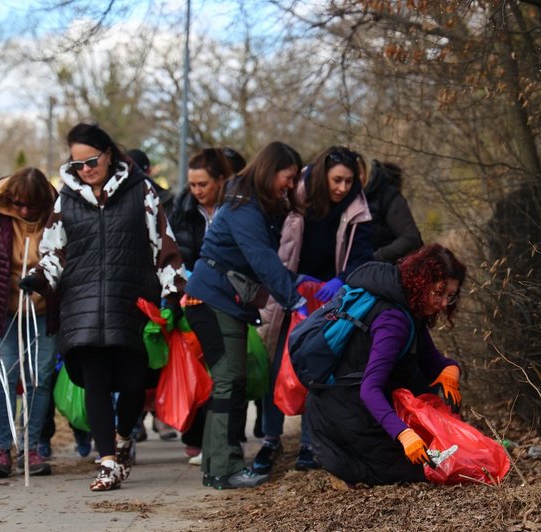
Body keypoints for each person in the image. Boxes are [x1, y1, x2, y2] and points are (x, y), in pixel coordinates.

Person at [20, 122, 187, 492]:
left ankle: (124, 435)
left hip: (131, 301)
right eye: (78, 164)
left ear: (109, 154)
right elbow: (53, 251)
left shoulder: (140, 190)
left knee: (132, 383)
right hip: (81, 303)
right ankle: (108, 461)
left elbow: (163, 243)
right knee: (95, 381)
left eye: (92, 161)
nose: (86, 170)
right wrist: (38, 278)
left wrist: (173, 290)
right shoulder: (67, 198)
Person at [184, 140, 308, 489]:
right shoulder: (245, 206)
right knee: (229, 382)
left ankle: (215, 467)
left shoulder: (251, 203)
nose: (291, 183)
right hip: (213, 301)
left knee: (229, 383)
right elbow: (262, 259)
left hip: (220, 300)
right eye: (289, 176)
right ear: (272, 170)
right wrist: (292, 299)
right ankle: (225, 468)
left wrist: (298, 283)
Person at [255, 145, 373, 475]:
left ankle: (309, 442)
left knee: (316, 367)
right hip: (288, 291)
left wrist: (342, 279)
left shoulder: (357, 210)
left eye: (350, 181)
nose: (343, 188)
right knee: (278, 364)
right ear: (323, 175)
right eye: (337, 180)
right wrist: (289, 279)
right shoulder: (295, 197)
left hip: (329, 297)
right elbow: (272, 241)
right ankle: (270, 438)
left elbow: (364, 257)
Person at [306, 244, 465, 485]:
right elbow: (370, 389)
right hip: (341, 414)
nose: (444, 303)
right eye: (438, 293)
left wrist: (450, 372)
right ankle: (341, 467)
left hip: (351, 407)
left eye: (450, 296)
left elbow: (434, 364)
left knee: (440, 459)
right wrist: (404, 434)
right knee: (426, 469)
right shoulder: (394, 321)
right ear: (421, 284)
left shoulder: (412, 312)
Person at [0, 167, 59, 479]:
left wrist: (43, 282)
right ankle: (2, 448)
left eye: (32, 206)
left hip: (43, 310)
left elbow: (67, 259)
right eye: (19, 204)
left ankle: (31, 447)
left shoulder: (57, 214)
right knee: (4, 378)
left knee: (39, 378)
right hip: (2, 311)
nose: (24, 211)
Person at [168, 147, 239, 461]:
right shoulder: (181, 210)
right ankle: (197, 437)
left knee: (225, 373)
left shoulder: (235, 210)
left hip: (226, 298)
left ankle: (221, 440)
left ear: (221, 181)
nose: (196, 191)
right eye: (192, 185)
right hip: (190, 299)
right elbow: (171, 254)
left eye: (203, 185)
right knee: (197, 369)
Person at [362, 159, 423, 263]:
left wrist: (375, 257)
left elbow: (410, 238)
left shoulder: (388, 197)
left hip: (386, 270)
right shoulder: (350, 199)